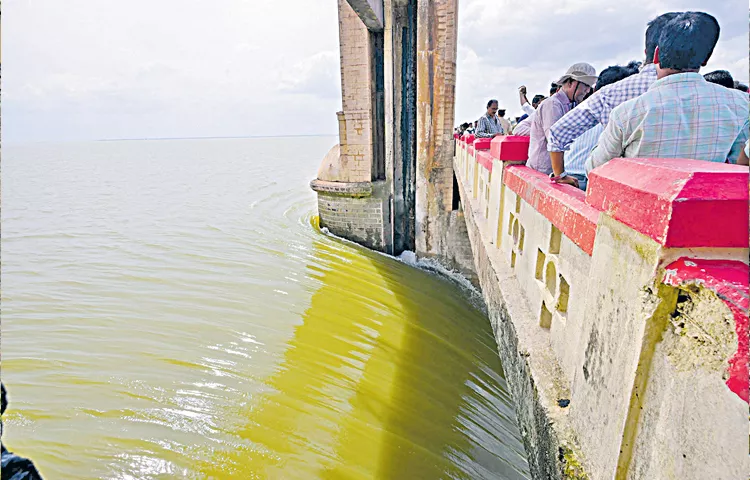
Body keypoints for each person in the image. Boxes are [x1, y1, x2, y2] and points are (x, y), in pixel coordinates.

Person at [587, 12, 749, 173]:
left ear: (656, 55)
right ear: (706, 59)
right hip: (706, 197)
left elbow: (595, 169)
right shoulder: (740, 104)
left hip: (643, 196)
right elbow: (740, 164)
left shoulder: (627, 113)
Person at [547, 12, 681, 171]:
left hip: (618, 179)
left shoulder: (609, 95)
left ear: (648, 51)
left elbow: (557, 134)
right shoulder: (710, 96)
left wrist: (560, 175)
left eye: (588, 86)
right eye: (584, 85)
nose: (587, 90)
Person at [554, 63, 640, 189]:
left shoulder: (579, 113)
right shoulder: (615, 118)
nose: (586, 90)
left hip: (569, 174)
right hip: (583, 179)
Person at [528, 62, 597, 175]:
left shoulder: (571, 104)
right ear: (570, 83)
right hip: (543, 172)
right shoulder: (553, 104)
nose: (587, 91)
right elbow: (554, 141)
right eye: (586, 85)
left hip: (555, 170)